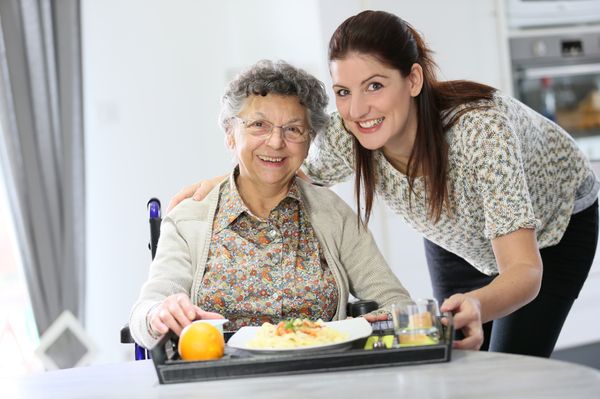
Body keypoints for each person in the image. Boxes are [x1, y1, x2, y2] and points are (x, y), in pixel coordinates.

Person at [169, 11, 599, 357]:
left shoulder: (480, 132)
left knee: (509, 369)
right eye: (342, 91)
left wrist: (480, 303)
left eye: (374, 86)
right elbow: (285, 167)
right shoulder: (347, 133)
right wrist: (218, 183)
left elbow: (524, 270)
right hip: (455, 235)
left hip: (552, 230)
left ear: (413, 80)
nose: (357, 110)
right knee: (454, 356)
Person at [129, 59, 411, 350]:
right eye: (258, 125)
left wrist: (344, 332)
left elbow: (396, 305)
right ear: (230, 134)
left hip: (321, 377)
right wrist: (157, 315)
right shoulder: (190, 220)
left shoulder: (333, 214)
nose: (276, 142)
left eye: (293, 129)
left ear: (309, 140)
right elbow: (144, 315)